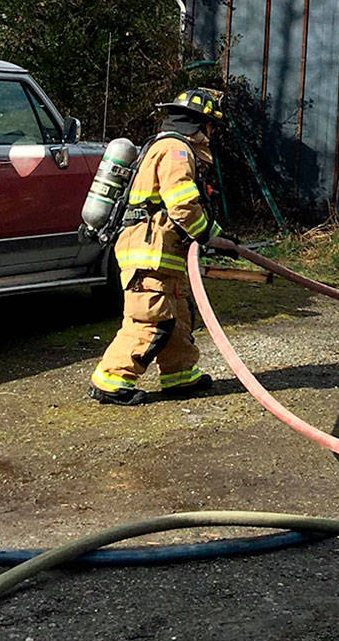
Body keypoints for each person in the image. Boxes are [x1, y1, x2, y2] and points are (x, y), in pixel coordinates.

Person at [89, 87, 232, 404]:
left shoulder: (171, 147)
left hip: (163, 251)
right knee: (149, 319)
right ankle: (111, 380)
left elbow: (194, 208)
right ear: (202, 124)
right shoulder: (174, 150)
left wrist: (222, 237)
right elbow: (181, 204)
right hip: (149, 250)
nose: (212, 135)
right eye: (211, 127)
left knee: (177, 316)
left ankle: (180, 375)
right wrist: (208, 236)